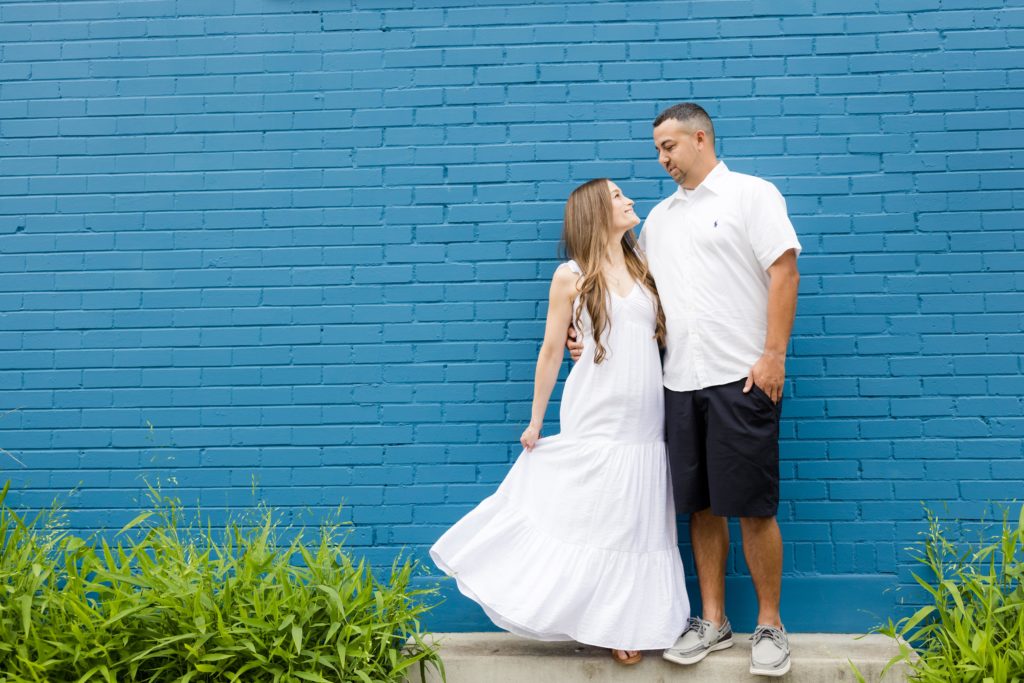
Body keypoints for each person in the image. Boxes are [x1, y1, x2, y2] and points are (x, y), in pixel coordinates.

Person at [568, 103, 801, 677]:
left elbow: (785, 271)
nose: (662, 159)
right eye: (657, 151)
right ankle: (713, 620)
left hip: (740, 377)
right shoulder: (659, 222)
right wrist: (581, 335)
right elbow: (627, 293)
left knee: (751, 507)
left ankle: (769, 625)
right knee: (697, 507)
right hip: (677, 384)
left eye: (669, 148)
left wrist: (773, 355)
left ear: (701, 138)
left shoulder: (752, 195)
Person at [430, 178, 689, 665]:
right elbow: (552, 349)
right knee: (600, 511)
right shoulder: (570, 276)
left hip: (645, 415)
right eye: (617, 196)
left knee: (635, 518)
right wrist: (535, 419)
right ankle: (608, 622)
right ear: (595, 211)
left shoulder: (644, 265)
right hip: (596, 406)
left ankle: (628, 619)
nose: (629, 200)